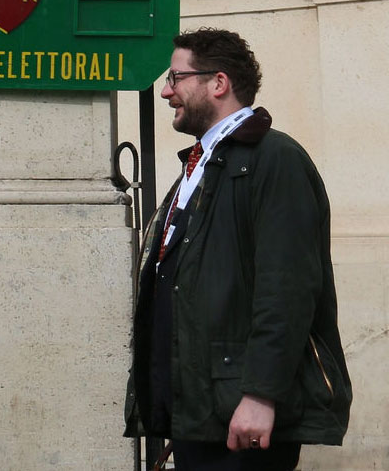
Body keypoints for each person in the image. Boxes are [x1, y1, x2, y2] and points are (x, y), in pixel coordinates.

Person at [125, 27, 351, 471]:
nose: (166, 91)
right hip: (200, 410)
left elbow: (286, 289)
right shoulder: (201, 165)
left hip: (241, 415)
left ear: (218, 83)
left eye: (175, 77)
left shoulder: (274, 159)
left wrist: (260, 395)